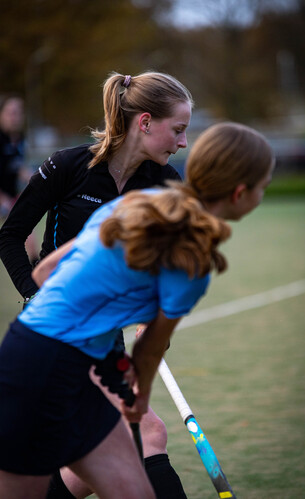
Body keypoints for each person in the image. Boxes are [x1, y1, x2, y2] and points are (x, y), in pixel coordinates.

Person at [0, 121, 274, 499]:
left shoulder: (128, 204)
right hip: (44, 370)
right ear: (241, 193)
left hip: (46, 354)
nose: (262, 194)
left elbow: (47, 271)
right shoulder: (192, 262)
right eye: (263, 186)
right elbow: (148, 351)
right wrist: (137, 396)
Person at [0, 71, 192, 499]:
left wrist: (151, 321)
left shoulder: (165, 184)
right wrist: (36, 295)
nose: (182, 142)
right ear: (145, 122)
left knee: (89, 463)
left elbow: (165, 266)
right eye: (177, 130)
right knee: (149, 433)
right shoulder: (69, 166)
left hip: (106, 343)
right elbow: (10, 236)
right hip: (54, 333)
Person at [0, 95, 38, 260]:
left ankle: (36, 274)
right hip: (3, 198)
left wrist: (41, 182)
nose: (15, 117)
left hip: (10, 197)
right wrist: (3, 200)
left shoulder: (19, 140)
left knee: (30, 237)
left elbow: (21, 169)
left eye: (18, 113)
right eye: (11, 113)